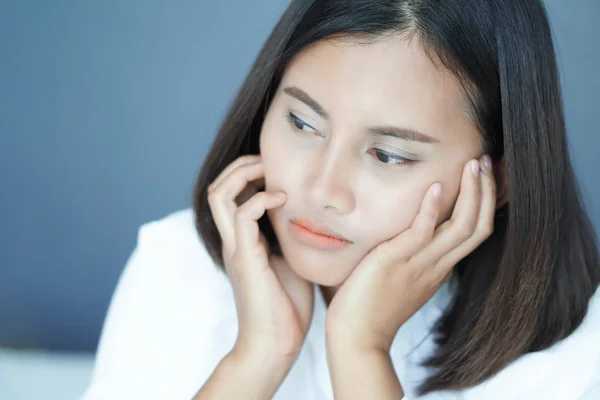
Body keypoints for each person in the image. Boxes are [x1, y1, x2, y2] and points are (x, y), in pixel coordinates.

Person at [82, 0, 600, 399]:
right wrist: (256, 358)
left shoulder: (579, 349)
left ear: (500, 180)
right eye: (302, 123)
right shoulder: (178, 265)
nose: (320, 190)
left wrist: (360, 354)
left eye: (389, 156)